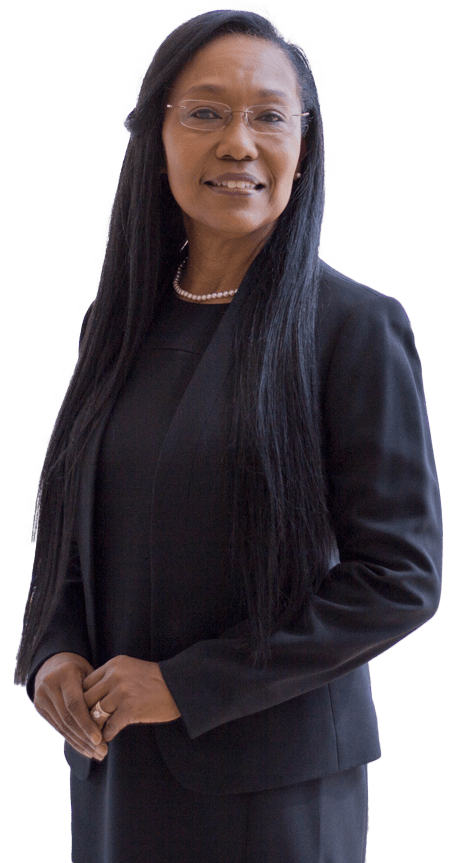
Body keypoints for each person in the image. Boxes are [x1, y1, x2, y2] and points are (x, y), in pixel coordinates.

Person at [14, 7, 442, 863]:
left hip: (275, 792)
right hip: (119, 770)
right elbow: (71, 518)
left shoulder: (353, 328)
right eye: (205, 112)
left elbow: (400, 578)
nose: (238, 143)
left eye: (269, 116)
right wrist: (52, 650)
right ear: (158, 135)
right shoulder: (121, 321)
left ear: (305, 146)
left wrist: (186, 684)